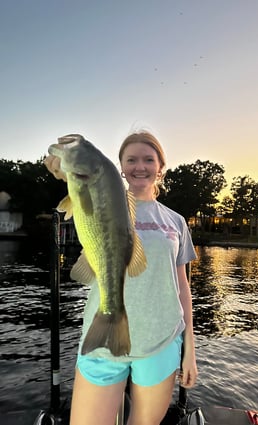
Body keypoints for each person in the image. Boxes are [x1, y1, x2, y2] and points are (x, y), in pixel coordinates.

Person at [45, 131, 198, 425]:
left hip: (161, 340)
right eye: (131, 160)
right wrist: (61, 166)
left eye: (148, 159)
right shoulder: (96, 193)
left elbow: (182, 288)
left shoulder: (176, 221)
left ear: (160, 168)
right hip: (100, 338)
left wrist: (189, 349)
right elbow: (73, 181)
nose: (140, 166)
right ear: (120, 167)